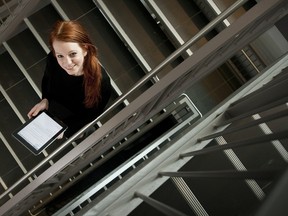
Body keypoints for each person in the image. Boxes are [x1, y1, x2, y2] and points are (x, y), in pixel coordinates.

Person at [28, 20, 112, 138]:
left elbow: (91, 116)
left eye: (72, 54)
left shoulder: (102, 83)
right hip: (57, 106)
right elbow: (47, 79)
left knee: (86, 134)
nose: (66, 63)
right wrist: (45, 99)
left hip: (78, 117)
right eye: (60, 56)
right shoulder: (53, 60)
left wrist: (67, 133)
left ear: (85, 49)